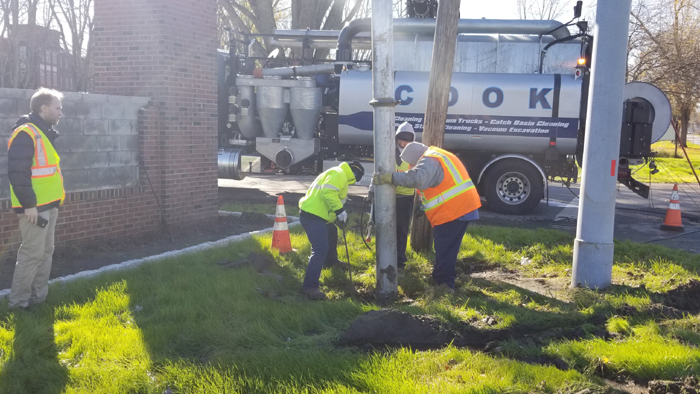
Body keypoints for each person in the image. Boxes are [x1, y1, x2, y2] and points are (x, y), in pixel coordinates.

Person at [373, 142, 480, 293]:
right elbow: (440, 184)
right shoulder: (439, 155)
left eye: (411, 163)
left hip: (452, 210)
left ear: (415, 158)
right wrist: (424, 206)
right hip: (463, 207)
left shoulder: (429, 159)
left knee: (445, 247)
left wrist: (390, 178)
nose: (410, 166)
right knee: (448, 247)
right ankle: (440, 277)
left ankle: (444, 284)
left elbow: (418, 178)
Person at [7, 88, 65, 310]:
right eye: (57, 108)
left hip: (48, 205)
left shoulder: (43, 131)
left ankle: (38, 299)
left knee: (46, 252)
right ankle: (18, 304)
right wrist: (28, 206)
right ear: (44, 108)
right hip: (34, 208)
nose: (61, 112)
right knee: (32, 254)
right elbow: (17, 173)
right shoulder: (26, 133)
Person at [298, 160, 365, 300]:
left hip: (318, 215)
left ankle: (331, 261)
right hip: (313, 216)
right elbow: (328, 193)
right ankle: (310, 287)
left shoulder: (337, 173)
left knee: (332, 231)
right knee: (320, 248)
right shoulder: (338, 174)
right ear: (354, 175)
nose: (353, 183)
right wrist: (339, 211)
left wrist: (336, 218)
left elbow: (329, 198)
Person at [393, 122, 416, 271]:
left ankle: (400, 262)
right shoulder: (389, 151)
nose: (403, 143)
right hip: (390, 196)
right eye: (401, 140)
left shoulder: (415, 154)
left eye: (407, 140)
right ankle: (386, 258)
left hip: (406, 197)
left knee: (401, 230)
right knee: (385, 228)